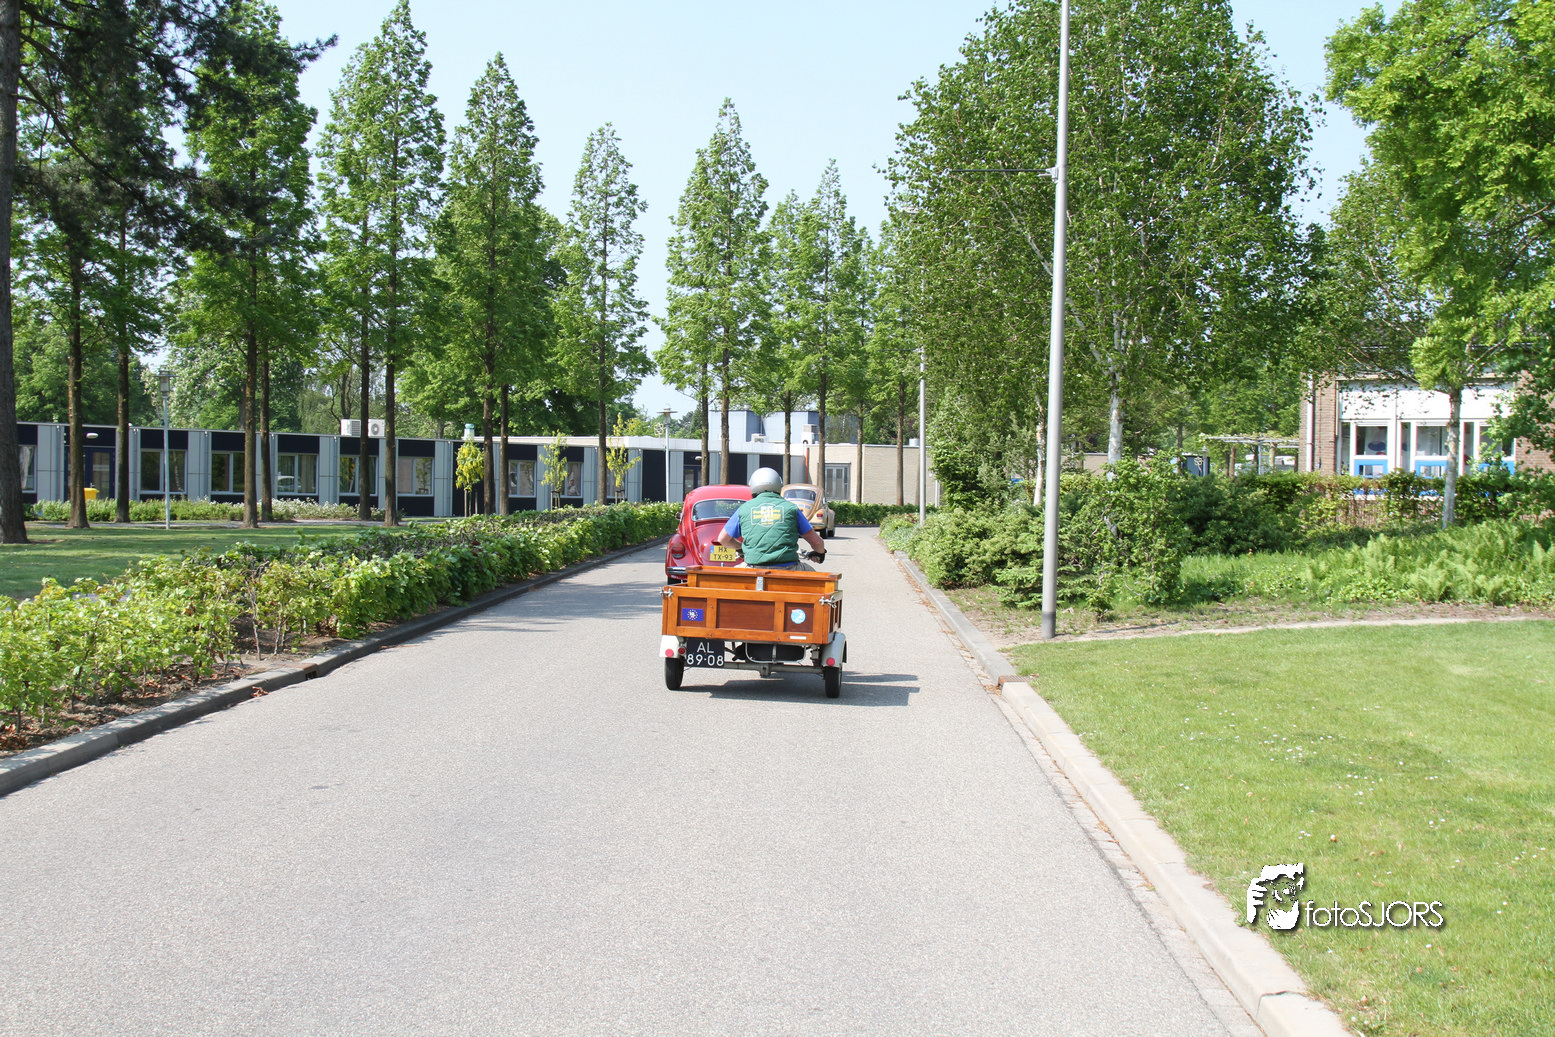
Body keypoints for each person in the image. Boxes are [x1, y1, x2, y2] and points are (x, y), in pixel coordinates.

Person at [717, 467, 826, 570]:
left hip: (753, 568)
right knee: (815, 578)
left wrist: (740, 548)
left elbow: (722, 539)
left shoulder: (744, 509)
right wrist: (820, 553)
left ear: (753, 486)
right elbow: (816, 542)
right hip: (789, 568)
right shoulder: (791, 508)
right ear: (779, 486)